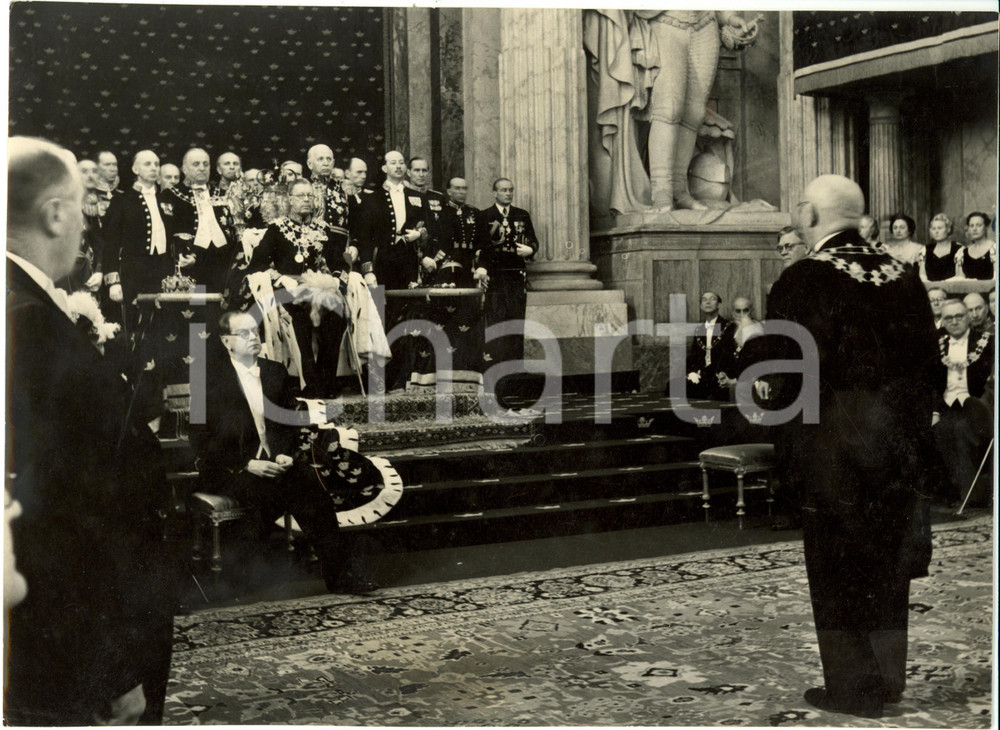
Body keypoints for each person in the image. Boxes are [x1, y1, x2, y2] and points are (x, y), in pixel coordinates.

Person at [5, 136, 178, 725]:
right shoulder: (31, 325)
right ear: (56, 213)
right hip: (68, 633)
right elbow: (60, 517)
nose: (85, 225)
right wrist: (113, 668)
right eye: (80, 207)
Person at [760, 174, 938, 719]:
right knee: (887, 562)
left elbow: (782, 374)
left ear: (811, 215)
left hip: (834, 449)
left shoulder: (804, 278)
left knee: (836, 568)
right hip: (900, 446)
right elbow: (928, 366)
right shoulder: (903, 276)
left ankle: (853, 690)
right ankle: (886, 679)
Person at [190, 311, 373, 593]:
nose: (255, 338)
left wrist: (285, 453)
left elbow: (289, 424)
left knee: (312, 485)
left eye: (256, 332)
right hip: (230, 468)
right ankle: (240, 576)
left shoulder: (275, 371)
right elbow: (200, 443)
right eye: (245, 334)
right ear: (227, 341)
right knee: (264, 490)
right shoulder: (208, 380)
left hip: (274, 462)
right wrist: (246, 463)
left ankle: (341, 577)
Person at [244, 178, 348, 396]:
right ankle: (309, 383)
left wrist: (334, 279)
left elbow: (338, 262)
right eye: (301, 196)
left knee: (337, 316)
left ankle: (325, 380)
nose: (307, 200)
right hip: (288, 291)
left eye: (310, 196)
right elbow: (258, 265)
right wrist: (280, 279)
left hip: (319, 290)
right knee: (299, 321)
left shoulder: (323, 228)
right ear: (290, 199)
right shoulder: (276, 229)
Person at [477, 177, 539, 406]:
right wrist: (482, 267)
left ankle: (515, 377)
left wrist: (530, 249)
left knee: (516, 324)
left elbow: (533, 241)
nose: (508, 194)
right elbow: (482, 246)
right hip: (495, 277)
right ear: (494, 193)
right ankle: (495, 377)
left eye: (510, 190)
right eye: (503, 190)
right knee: (496, 324)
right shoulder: (485, 216)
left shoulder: (521, 214)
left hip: (515, 276)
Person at [931, 300, 994, 505]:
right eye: (949, 318)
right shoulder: (937, 345)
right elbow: (930, 382)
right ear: (943, 321)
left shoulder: (988, 342)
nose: (955, 321)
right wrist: (934, 411)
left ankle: (971, 494)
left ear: (968, 317)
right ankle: (951, 493)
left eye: (959, 316)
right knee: (940, 429)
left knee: (960, 429)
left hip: (977, 406)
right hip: (946, 406)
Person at [162, 147, 239, 295]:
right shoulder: (171, 196)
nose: (202, 168)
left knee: (221, 311)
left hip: (222, 265)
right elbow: (168, 234)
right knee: (198, 310)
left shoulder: (223, 194)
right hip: (192, 267)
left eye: (205, 164)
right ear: (184, 169)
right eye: (196, 164)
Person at [680, 290, 735, 401]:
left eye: (712, 299)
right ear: (701, 306)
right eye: (704, 300)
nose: (708, 302)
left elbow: (728, 355)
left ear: (719, 304)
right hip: (702, 375)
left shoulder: (728, 327)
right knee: (672, 386)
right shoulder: (699, 330)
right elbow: (693, 356)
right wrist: (691, 372)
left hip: (719, 374)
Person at [406, 156, 448, 280]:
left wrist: (437, 257)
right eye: (416, 170)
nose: (421, 174)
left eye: (424, 171)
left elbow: (444, 229)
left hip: (435, 255)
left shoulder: (438, 197)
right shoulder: (403, 195)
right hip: (411, 254)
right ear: (408, 172)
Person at [307, 144, 351, 257]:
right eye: (320, 159)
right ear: (309, 164)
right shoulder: (305, 188)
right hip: (311, 246)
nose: (326, 163)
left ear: (333, 163)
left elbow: (355, 222)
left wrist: (354, 245)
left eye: (329, 159)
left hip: (340, 248)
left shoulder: (345, 188)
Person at [440, 176, 480, 282]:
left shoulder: (474, 213)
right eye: (457, 188)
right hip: (448, 262)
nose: (462, 192)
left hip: (470, 262)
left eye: (464, 188)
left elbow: (482, 240)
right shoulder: (442, 212)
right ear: (449, 191)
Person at [920, 213, 961, 281]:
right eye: (933, 228)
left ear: (948, 229)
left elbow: (959, 276)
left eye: (940, 228)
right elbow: (922, 275)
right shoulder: (926, 250)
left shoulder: (958, 249)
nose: (936, 231)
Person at [956, 211, 996, 280]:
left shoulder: (995, 249)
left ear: (986, 227)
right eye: (971, 226)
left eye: (979, 225)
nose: (974, 229)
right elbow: (960, 280)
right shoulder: (962, 253)